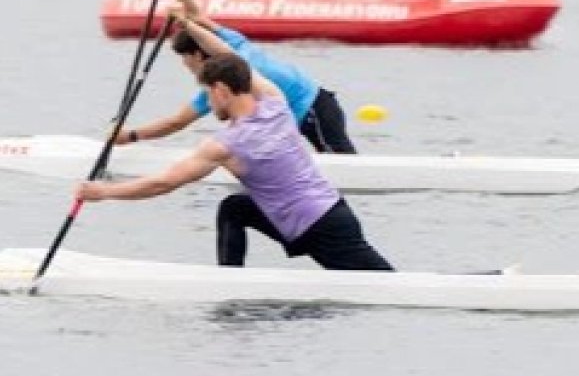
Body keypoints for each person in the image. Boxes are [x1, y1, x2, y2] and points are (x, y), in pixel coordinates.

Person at [79, 50, 394, 271]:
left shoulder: (225, 144)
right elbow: (241, 62)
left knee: (388, 287)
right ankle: (230, 277)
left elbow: (164, 183)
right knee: (235, 208)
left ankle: (231, 280)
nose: (207, 101)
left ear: (221, 90)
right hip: (332, 213)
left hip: (322, 229)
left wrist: (104, 192)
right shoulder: (276, 103)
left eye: (208, 92)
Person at [115, 0, 358, 154]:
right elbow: (196, 13)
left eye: (185, 58)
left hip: (315, 109)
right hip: (306, 113)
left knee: (349, 170)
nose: (184, 65)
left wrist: (132, 136)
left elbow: (177, 122)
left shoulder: (229, 67)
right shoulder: (227, 52)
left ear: (199, 54)